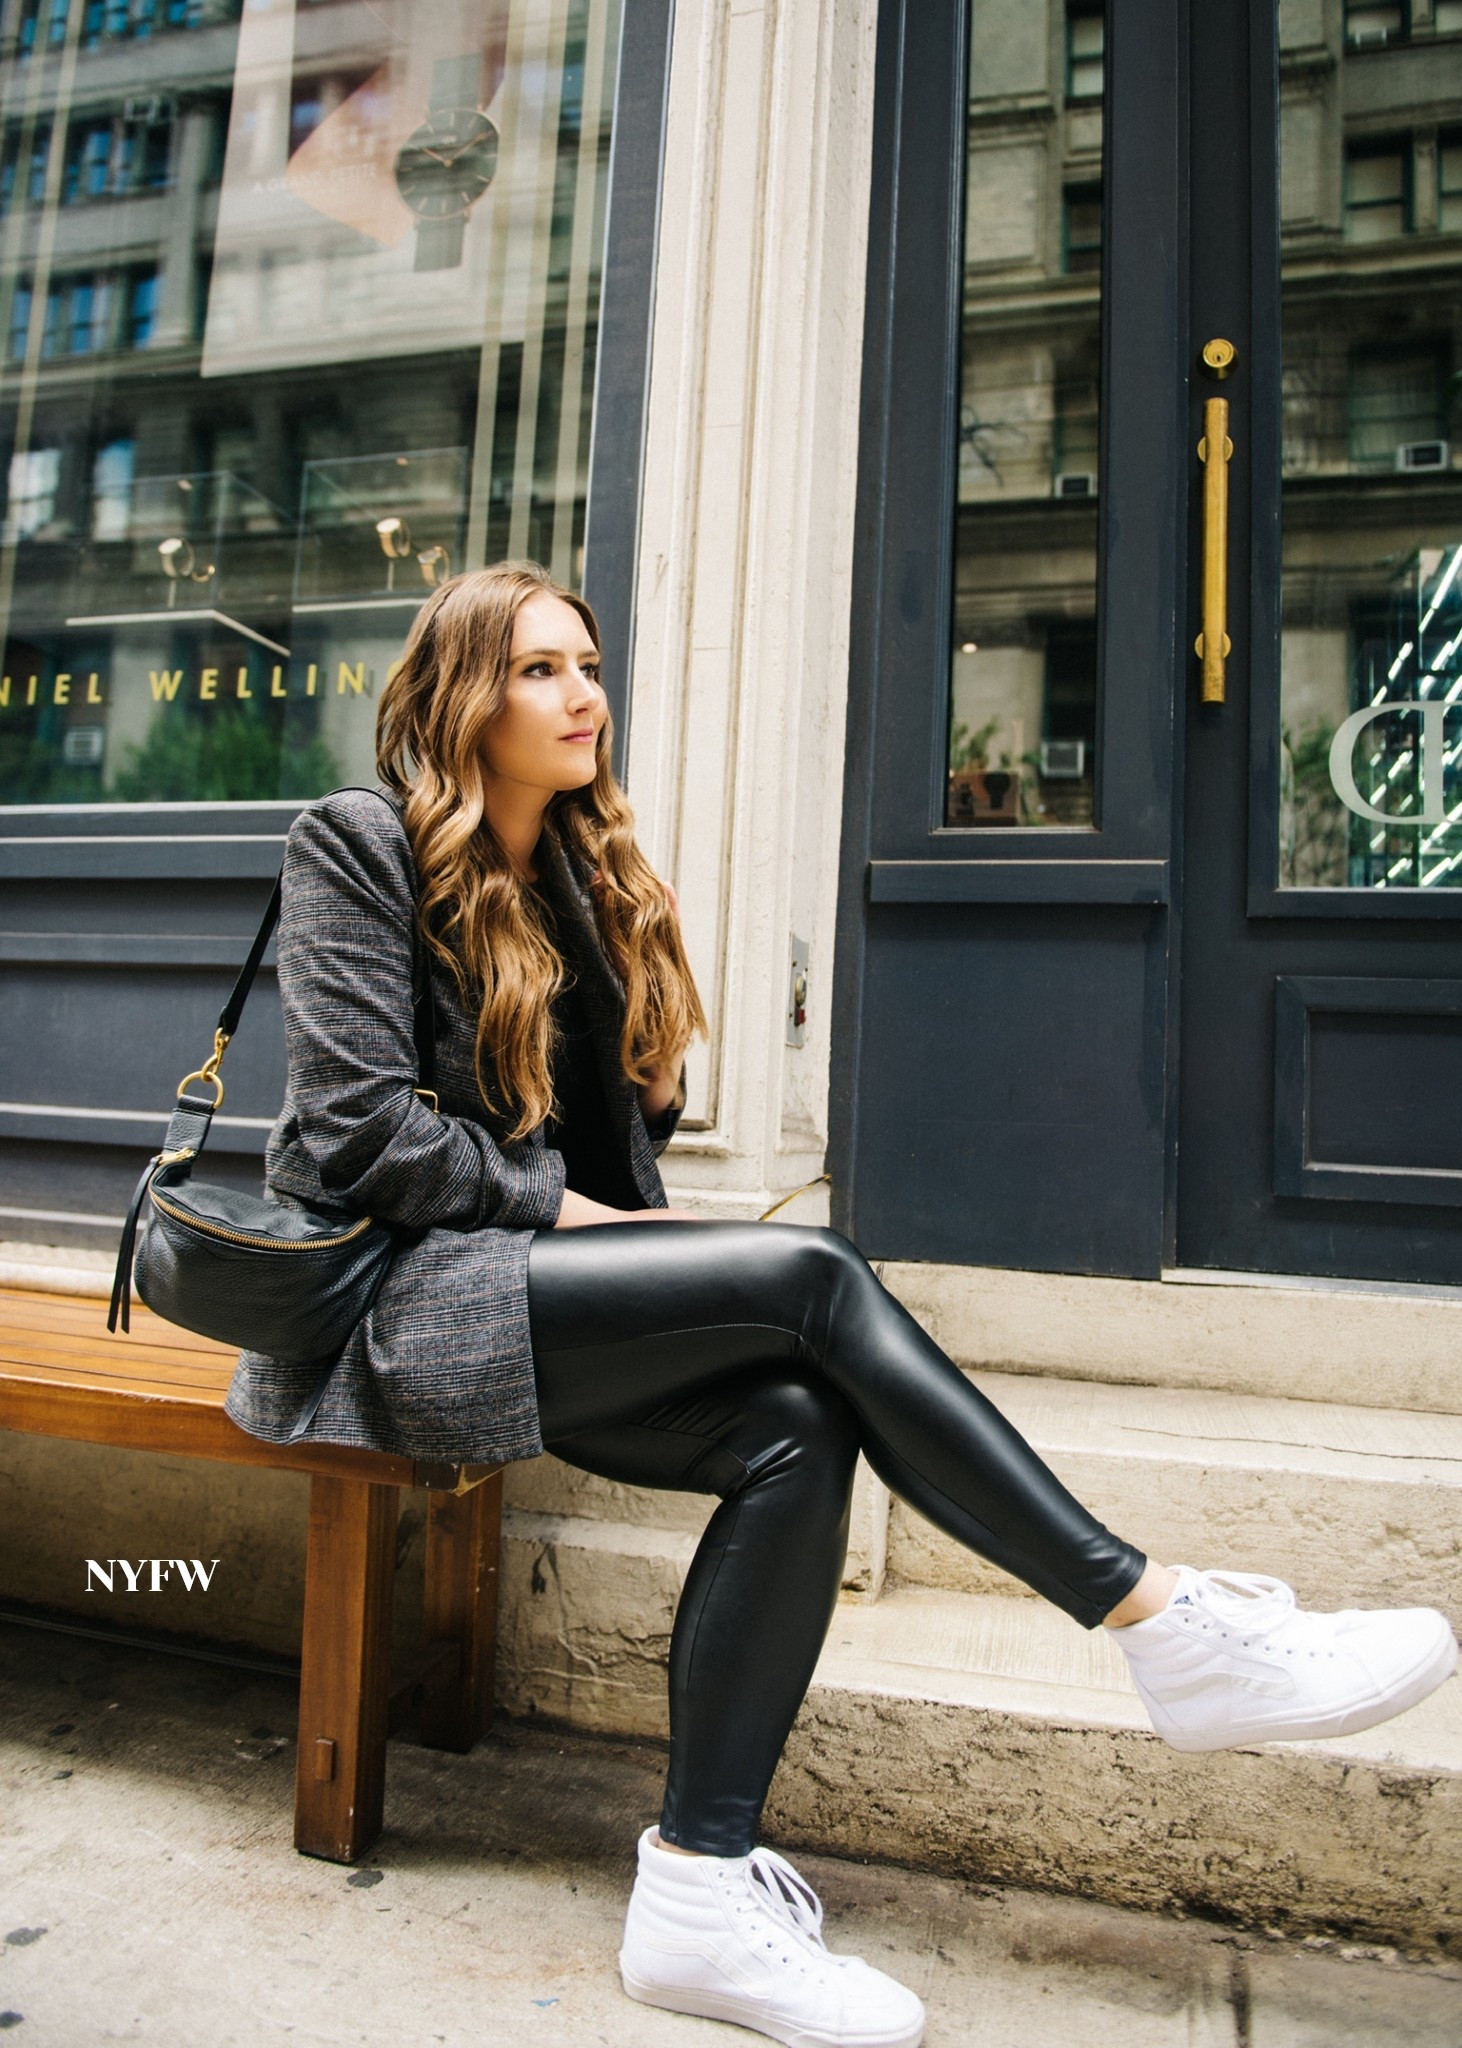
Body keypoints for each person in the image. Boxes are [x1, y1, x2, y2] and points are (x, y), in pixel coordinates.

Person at [225, 562, 1458, 2048]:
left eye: (590, 664)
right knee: (812, 1272)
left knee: (799, 1425)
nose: (583, 696)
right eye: (540, 668)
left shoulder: (578, 874)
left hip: (524, 1294)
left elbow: (614, 1164)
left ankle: (695, 1893)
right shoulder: (356, 845)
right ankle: (1158, 1618)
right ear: (459, 696)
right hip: (394, 1312)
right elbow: (358, 1129)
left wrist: (644, 1047)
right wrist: (585, 1206)